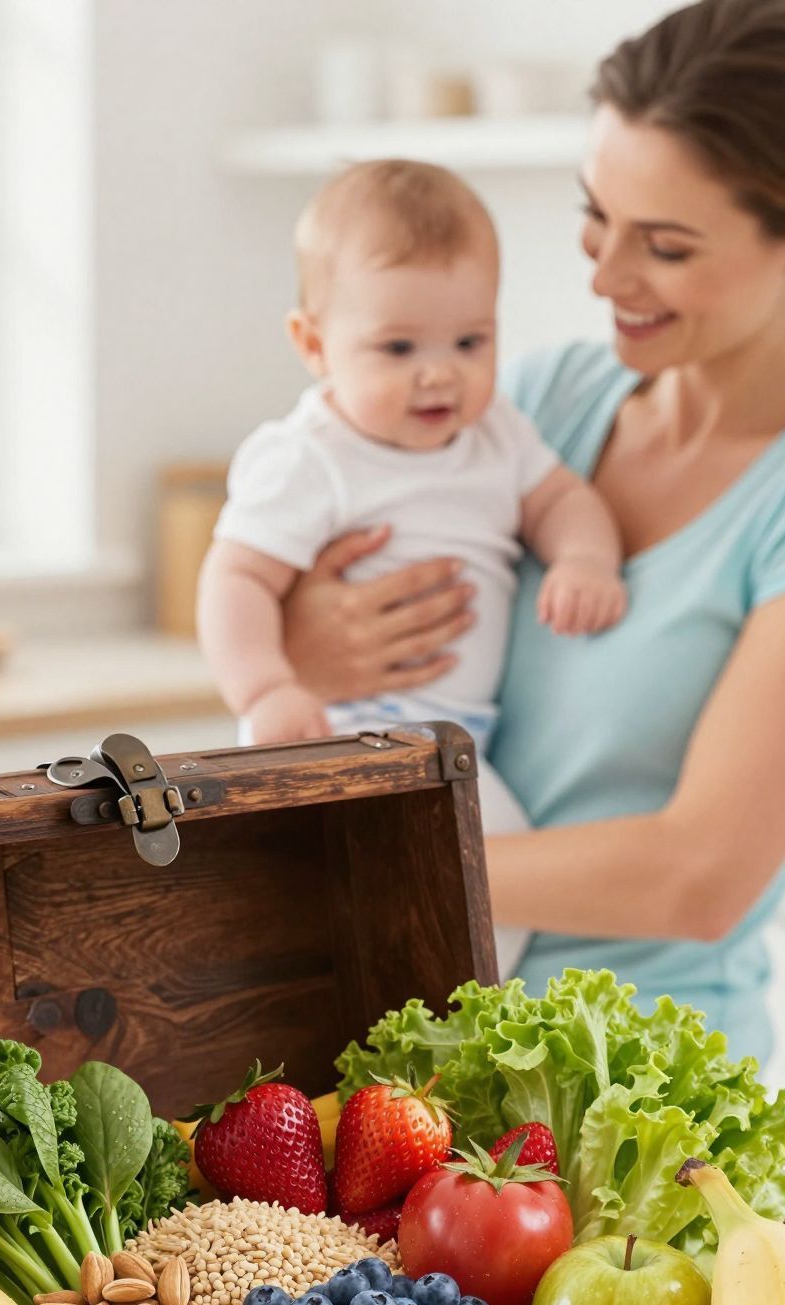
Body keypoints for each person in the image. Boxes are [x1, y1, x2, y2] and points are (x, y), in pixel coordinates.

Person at [275, 0, 785, 1065]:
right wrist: (303, 639)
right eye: (595, 215)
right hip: (430, 1047)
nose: (604, 275)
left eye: (664, 245)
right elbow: (326, 587)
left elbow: (697, 877)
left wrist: (350, 854)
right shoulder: (546, 397)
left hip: (635, 1093)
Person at [198, 159, 625, 967]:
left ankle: (422, 1054)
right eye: (398, 347)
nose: (440, 372)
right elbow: (235, 579)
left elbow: (562, 502)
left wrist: (583, 561)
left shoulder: (497, 432)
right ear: (313, 344)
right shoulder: (308, 457)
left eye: (471, 340)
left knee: (475, 906)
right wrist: (266, 688)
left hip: (450, 745)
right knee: (321, 911)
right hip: (332, 731)